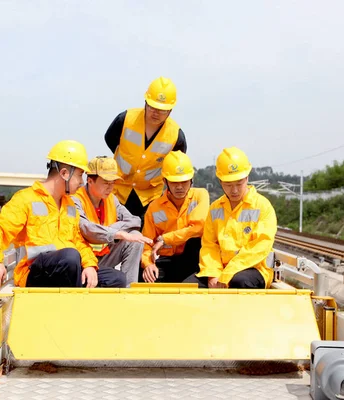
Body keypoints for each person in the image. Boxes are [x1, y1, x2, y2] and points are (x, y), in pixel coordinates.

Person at [0, 140, 126, 290]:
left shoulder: (69, 205)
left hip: (68, 267)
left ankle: (79, 299)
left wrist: (89, 265)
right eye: (79, 175)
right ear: (64, 173)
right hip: (36, 271)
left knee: (116, 279)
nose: (81, 183)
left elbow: (78, 241)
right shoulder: (26, 199)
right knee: (70, 258)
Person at [184, 147, 277, 289]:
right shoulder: (215, 208)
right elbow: (209, 245)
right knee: (189, 287)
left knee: (239, 282)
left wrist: (227, 274)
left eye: (239, 184)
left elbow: (259, 246)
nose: (234, 190)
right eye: (228, 184)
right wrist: (213, 273)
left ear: (247, 177)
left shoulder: (262, 206)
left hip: (253, 268)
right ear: (220, 181)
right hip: (219, 270)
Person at [104, 76, 187, 221]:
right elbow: (110, 139)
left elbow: (174, 164)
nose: (156, 112)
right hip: (118, 189)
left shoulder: (176, 136)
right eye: (152, 107)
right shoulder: (125, 119)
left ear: (170, 110)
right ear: (145, 103)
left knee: (144, 238)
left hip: (148, 197)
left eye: (162, 110)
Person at [73, 156, 153, 286]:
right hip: (83, 260)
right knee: (129, 235)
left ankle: (129, 288)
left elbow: (134, 221)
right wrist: (117, 233)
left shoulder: (112, 199)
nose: (110, 187)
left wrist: (112, 229)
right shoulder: (75, 200)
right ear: (90, 180)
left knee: (135, 237)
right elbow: (86, 228)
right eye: (106, 182)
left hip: (103, 256)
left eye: (112, 182)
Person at [141, 151, 209, 283]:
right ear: (165, 181)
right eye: (174, 182)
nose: (179, 187)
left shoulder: (201, 195)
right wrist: (148, 264)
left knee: (194, 241)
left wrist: (165, 239)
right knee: (145, 277)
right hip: (165, 260)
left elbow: (199, 228)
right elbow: (147, 244)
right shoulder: (154, 207)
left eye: (184, 182)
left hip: (193, 260)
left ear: (191, 180)